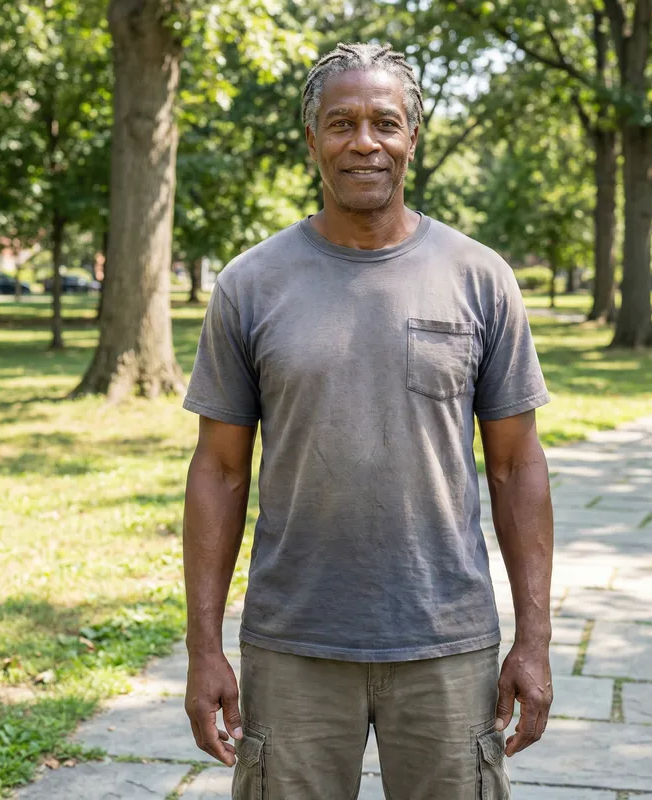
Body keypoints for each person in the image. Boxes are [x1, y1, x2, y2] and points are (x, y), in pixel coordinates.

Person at [182, 41, 553, 800]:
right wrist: (203, 650)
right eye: (341, 122)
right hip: (294, 645)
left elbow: (518, 466)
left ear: (413, 137)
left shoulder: (480, 279)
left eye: (385, 122)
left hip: (447, 641)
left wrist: (535, 641)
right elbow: (217, 471)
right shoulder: (250, 285)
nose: (364, 142)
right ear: (312, 137)